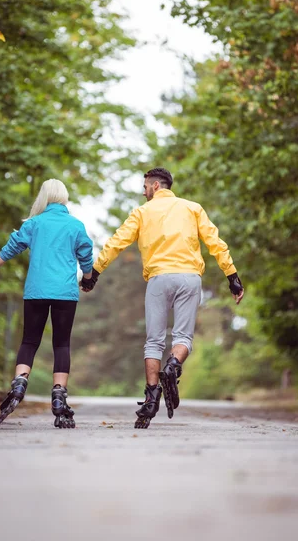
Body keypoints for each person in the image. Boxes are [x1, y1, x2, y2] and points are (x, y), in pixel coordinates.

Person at [81, 167, 244, 429]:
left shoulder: (141, 213)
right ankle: (173, 365)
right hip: (189, 278)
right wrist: (232, 276)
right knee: (183, 338)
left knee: (153, 341)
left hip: (159, 278)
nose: (143, 191)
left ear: (156, 186)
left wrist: (94, 272)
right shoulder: (192, 208)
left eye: (145, 186)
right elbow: (216, 242)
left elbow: (116, 242)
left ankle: (151, 398)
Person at [0, 179, 94, 429]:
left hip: (36, 291)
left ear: (44, 197)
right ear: (64, 197)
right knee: (61, 344)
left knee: (29, 341)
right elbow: (86, 253)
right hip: (64, 292)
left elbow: (11, 248)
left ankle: (19, 382)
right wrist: (88, 278)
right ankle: (60, 398)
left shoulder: (34, 224)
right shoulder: (75, 225)